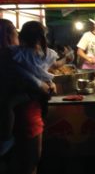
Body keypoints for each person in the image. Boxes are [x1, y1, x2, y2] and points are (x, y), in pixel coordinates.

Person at [0, 19, 56, 174]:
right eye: (12, 30)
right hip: (26, 116)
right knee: (29, 164)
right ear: (7, 35)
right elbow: (40, 86)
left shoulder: (16, 54)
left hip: (22, 113)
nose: (16, 33)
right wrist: (46, 86)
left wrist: (48, 82)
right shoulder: (10, 55)